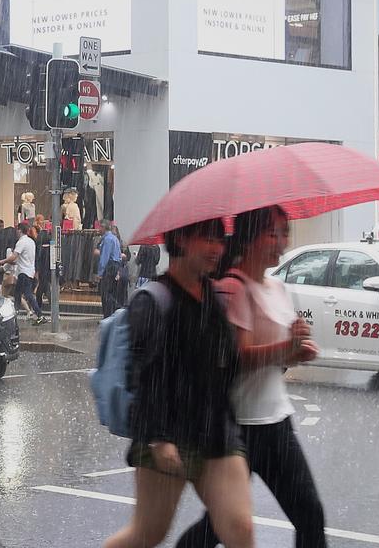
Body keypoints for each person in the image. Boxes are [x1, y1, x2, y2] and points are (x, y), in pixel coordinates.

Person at [175, 206, 325, 548]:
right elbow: (237, 358)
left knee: (310, 514)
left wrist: (297, 352)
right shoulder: (232, 288)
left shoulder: (277, 288)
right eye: (272, 233)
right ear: (250, 238)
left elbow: (277, 359)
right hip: (238, 428)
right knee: (218, 525)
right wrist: (286, 346)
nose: (281, 242)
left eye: (285, 233)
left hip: (277, 422)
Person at [104, 218, 254, 548]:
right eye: (208, 240)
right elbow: (145, 376)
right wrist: (159, 438)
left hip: (215, 431)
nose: (217, 249)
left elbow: (226, 364)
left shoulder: (212, 297)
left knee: (240, 528)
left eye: (220, 240)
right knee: (147, 534)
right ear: (182, 241)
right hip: (168, 434)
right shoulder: (154, 300)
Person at [0, 222, 45, 325]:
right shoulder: (31, 242)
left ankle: (40, 315)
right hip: (29, 271)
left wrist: (1, 262)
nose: (16, 232)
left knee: (27, 294)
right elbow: (21, 259)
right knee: (17, 293)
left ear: (19, 230)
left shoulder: (21, 242)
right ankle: (14, 314)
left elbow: (14, 257)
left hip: (23, 272)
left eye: (17, 230)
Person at [96, 219, 123, 317]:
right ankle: (114, 313)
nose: (99, 229)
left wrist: (100, 273)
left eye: (100, 227)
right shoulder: (114, 238)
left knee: (106, 294)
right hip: (115, 266)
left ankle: (110, 314)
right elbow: (119, 255)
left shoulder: (107, 239)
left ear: (103, 227)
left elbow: (104, 257)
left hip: (109, 267)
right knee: (111, 292)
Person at [34, 215, 53, 308]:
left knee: (42, 289)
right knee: (44, 289)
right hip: (47, 268)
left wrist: (37, 269)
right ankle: (50, 309)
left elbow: (38, 256)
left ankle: (38, 310)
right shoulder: (50, 245)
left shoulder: (40, 241)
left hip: (42, 269)